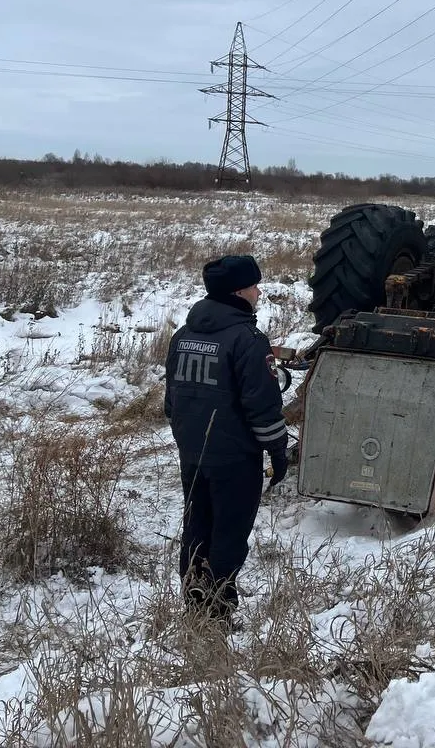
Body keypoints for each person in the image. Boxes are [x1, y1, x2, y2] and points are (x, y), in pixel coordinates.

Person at [164, 254, 288, 628]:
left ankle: (194, 603)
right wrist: (278, 451)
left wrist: (189, 439)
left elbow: (172, 402)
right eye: (254, 286)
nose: (259, 292)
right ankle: (218, 612)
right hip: (236, 460)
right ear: (237, 292)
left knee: (197, 528)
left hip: (193, 454)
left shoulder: (182, 337)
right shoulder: (248, 341)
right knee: (229, 535)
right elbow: (263, 407)